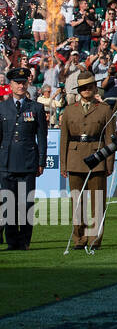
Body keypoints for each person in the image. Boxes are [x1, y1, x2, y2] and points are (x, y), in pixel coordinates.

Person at [59, 71, 114, 251]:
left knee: (97, 202)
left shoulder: (104, 109)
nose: (86, 90)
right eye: (83, 88)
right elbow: (64, 139)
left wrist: (109, 163)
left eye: (89, 87)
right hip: (74, 159)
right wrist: (64, 165)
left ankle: (94, 239)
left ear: (95, 87)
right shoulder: (69, 110)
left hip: (97, 159)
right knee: (77, 203)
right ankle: (79, 238)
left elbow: (109, 139)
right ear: (79, 90)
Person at [0, 70, 47, 250]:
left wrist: (41, 161)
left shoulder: (36, 108)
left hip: (28, 162)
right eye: (17, 82)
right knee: (8, 203)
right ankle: (12, 241)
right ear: (10, 85)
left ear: (27, 84)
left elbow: (42, 137)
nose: (20, 86)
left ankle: (24, 241)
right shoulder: (2, 108)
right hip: (6, 162)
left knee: (25, 204)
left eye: (23, 82)